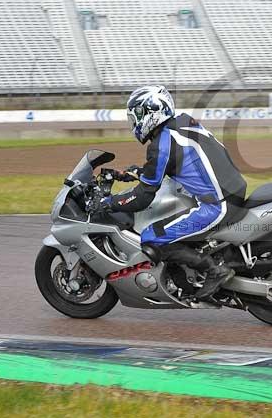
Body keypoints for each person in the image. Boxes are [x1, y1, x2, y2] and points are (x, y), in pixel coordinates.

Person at [99, 85, 246, 299]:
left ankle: (214, 270)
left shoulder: (161, 145)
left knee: (151, 236)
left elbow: (143, 196)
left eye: (137, 115)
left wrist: (110, 202)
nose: (134, 122)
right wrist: (132, 173)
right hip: (234, 188)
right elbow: (171, 165)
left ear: (151, 112)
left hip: (217, 205)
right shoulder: (183, 122)